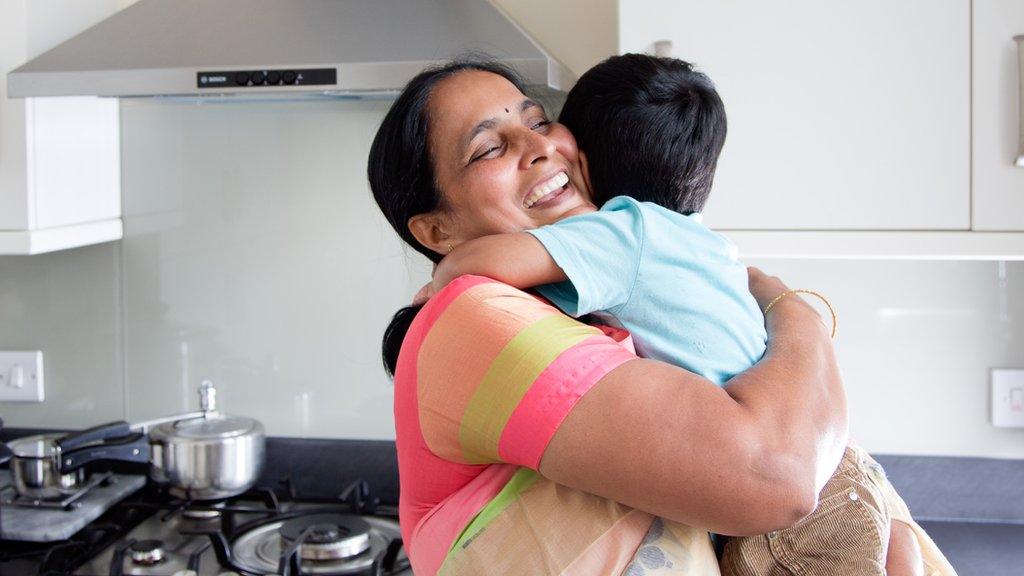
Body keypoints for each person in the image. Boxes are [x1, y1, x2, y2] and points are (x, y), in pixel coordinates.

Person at [421, 54, 956, 576]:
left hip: (799, 497)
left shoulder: (616, 234)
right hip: (819, 466)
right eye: (489, 146)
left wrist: (445, 280)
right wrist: (791, 306)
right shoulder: (694, 239)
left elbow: (488, 263)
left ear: (587, 152)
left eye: (541, 120)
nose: (539, 145)